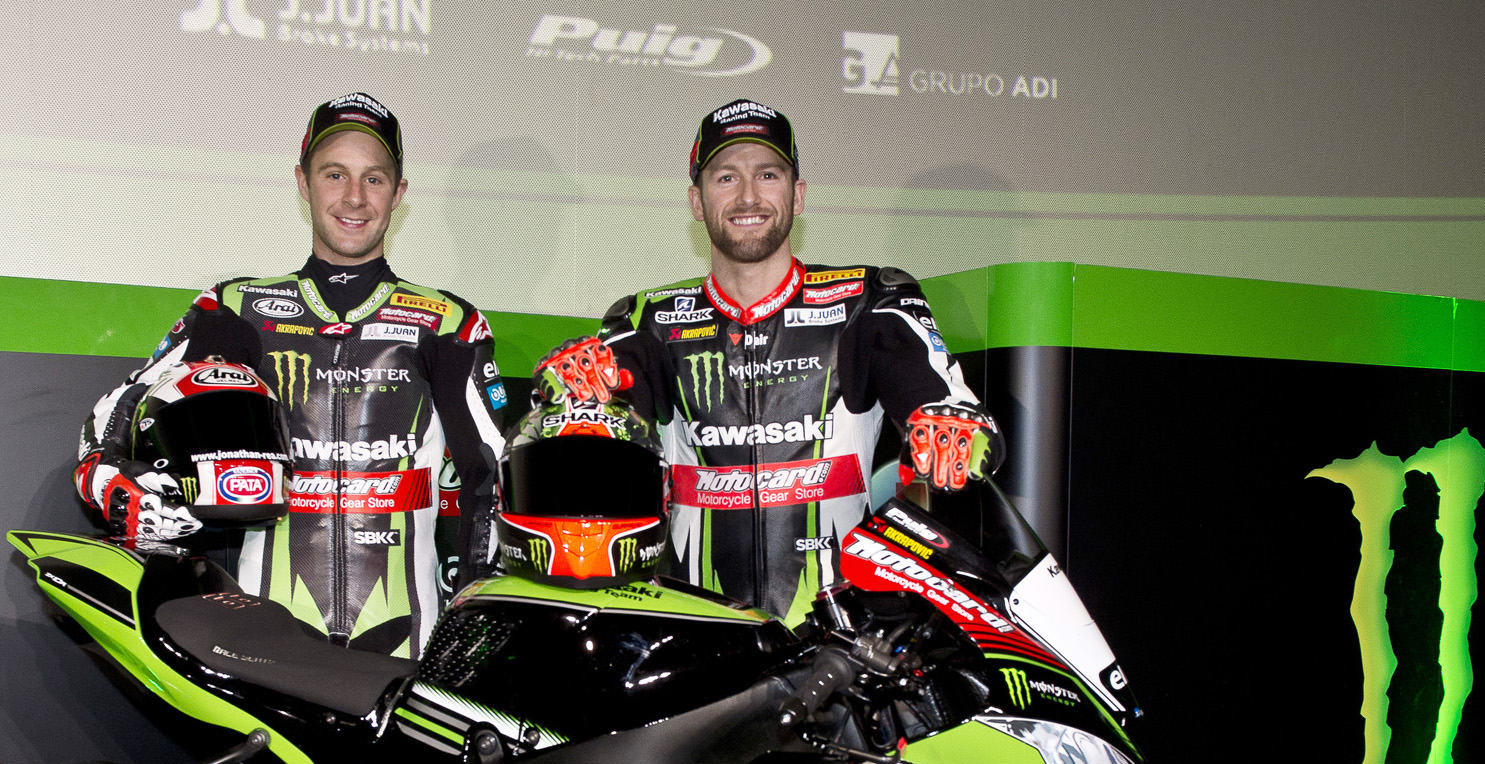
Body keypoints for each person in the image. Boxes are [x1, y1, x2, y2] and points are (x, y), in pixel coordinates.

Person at [531, 100, 1000, 625]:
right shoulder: (647, 321)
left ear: (798, 195)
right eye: (726, 177)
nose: (748, 196)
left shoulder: (869, 302)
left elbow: (940, 399)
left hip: (842, 638)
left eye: (768, 174)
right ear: (696, 200)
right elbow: (602, 425)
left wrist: (956, 424)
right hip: (699, 633)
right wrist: (571, 404)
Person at [77, 92, 509, 657]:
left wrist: (477, 614)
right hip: (262, 636)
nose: (354, 197)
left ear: (399, 193)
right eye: (335, 174)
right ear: (303, 183)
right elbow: (123, 412)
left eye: (374, 179)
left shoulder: (449, 323)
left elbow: (492, 478)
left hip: (411, 635)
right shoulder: (235, 309)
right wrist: (112, 480)